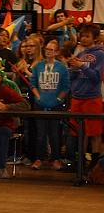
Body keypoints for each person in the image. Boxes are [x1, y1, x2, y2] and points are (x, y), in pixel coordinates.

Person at [66, 23, 104, 167]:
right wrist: (73, 70)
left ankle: (95, 164)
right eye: (82, 35)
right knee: (79, 133)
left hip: (91, 97)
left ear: (95, 38)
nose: (84, 38)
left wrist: (82, 66)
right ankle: (80, 164)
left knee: (94, 132)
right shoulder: (80, 54)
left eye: (87, 36)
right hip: (77, 97)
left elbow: (96, 77)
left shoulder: (100, 54)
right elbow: (74, 77)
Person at [30, 39, 69, 170]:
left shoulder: (62, 68)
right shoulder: (38, 66)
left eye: (51, 50)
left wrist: (58, 100)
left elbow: (65, 87)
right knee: (40, 134)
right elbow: (33, 83)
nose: (48, 52)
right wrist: (38, 96)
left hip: (55, 105)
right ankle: (39, 158)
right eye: (47, 49)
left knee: (54, 134)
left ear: (57, 52)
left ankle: (56, 158)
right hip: (40, 104)